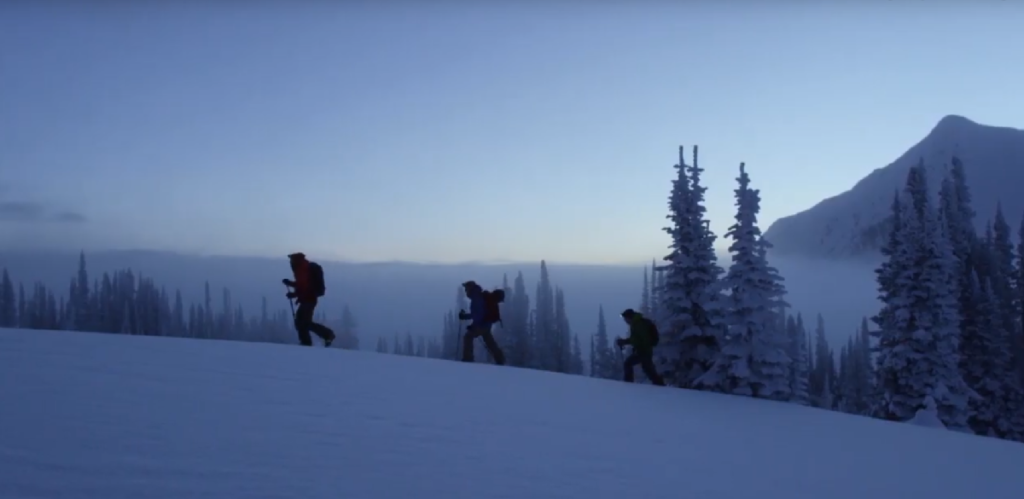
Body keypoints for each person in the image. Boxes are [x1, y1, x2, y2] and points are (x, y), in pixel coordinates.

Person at [282, 252, 336, 347]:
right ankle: (306, 342)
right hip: (308, 298)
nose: (290, 262)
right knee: (301, 322)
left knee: (304, 322)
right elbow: (302, 285)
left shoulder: (303, 269)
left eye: (291, 260)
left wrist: (293, 293)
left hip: (309, 299)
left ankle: (326, 335)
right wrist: (290, 285)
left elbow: (305, 287)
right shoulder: (303, 269)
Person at [457, 280, 506, 365]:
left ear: (470, 288)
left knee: (468, 337)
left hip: (482, 324)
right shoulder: (478, 295)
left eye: (466, 288)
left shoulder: (476, 297)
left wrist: (473, 326)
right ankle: (500, 359)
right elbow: (477, 314)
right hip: (486, 324)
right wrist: (465, 317)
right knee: (490, 342)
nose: (465, 290)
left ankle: (468, 359)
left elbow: (478, 314)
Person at [616, 308, 665, 386]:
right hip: (643, 351)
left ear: (629, 317)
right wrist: (624, 342)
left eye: (625, 318)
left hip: (644, 351)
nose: (625, 321)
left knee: (629, 364)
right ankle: (660, 385)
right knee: (648, 369)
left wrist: (626, 342)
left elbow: (644, 339)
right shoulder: (636, 324)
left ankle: (628, 384)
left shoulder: (638, 324)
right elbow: (635, 339)